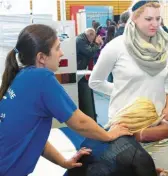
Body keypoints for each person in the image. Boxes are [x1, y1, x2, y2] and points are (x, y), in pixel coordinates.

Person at [0, 24, 132, 176]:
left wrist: (64, 162)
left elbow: (34, 138)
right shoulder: (41, 78)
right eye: (57, 48)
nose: (61, 53)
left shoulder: (22, 76)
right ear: (41, 57)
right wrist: (109, 135)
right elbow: (79, 123)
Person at [89, 0, 168, 175]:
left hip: (157, 129)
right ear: (134, 18)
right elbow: (95, 81)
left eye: (158, 19)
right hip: (125, 133)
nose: (155, 24)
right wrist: (122, 91)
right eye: (149, 18)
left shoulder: (167, 47)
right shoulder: (116, 47)